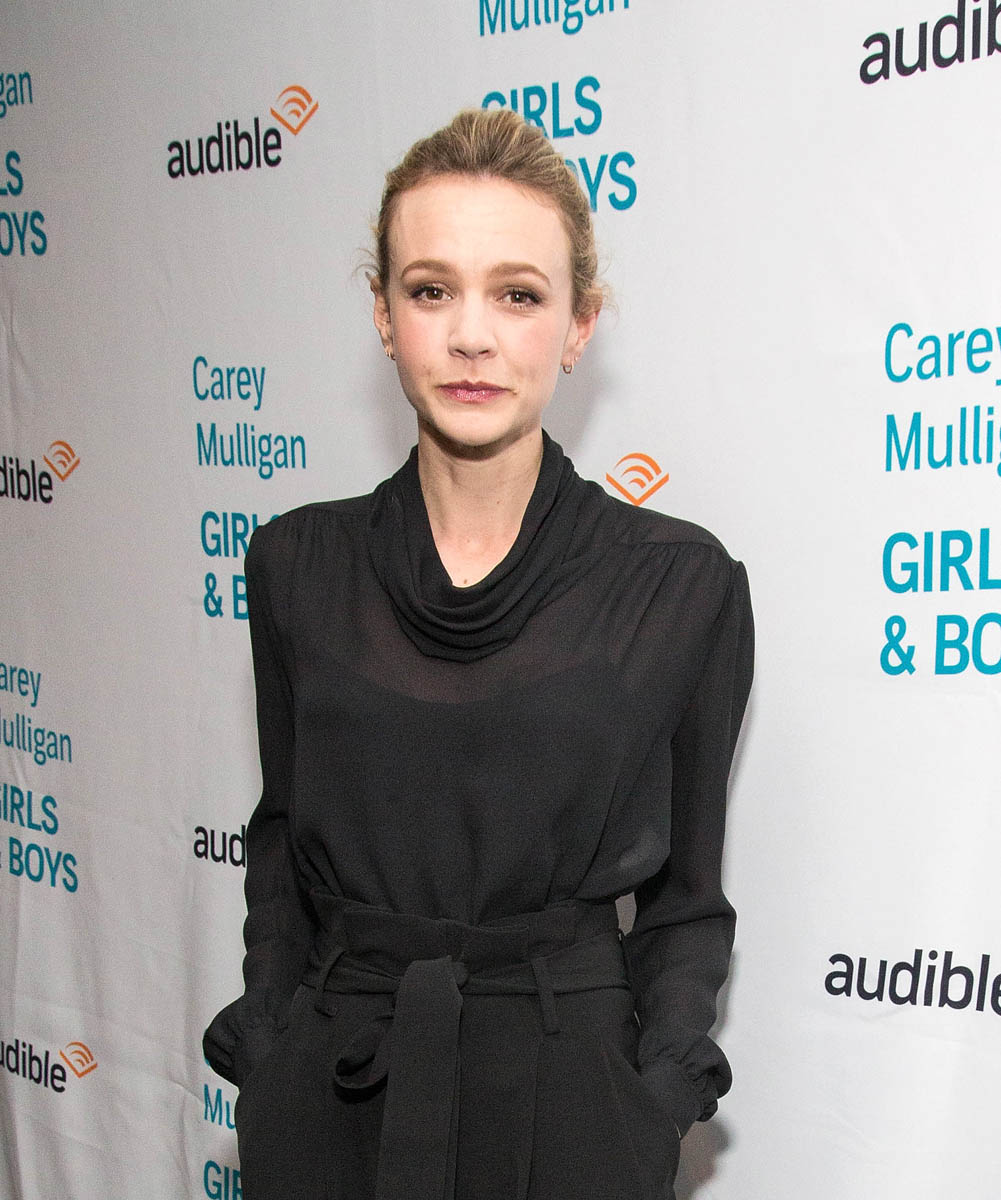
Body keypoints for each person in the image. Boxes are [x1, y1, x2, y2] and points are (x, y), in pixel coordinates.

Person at [203, 107, 753, 1200]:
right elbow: (283, 843)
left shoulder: (678, 584)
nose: (470, 336)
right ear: (382, 314)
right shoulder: (296, 564)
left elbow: (688, 900)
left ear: (578, 324)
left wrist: (647, 1103)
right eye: (429, 290)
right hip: (334, 1090)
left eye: (517, 295)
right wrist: (270, 1051)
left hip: (572, 1108)